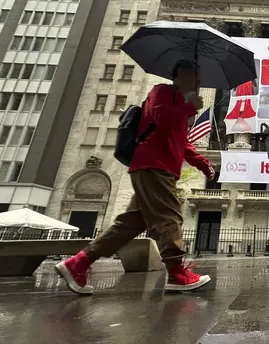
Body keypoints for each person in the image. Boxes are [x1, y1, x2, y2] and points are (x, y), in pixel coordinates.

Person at [55, 60, 216, 295]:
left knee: (130, 223)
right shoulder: (161, 92)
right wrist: (188, 108)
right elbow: (160, 120)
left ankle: (78, 263)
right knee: (169, 217)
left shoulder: (179, 103)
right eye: (195, 76)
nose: (199, 82)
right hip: (153, 166)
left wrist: (203, 164)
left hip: (160, 168)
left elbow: (180, 141)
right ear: (180, 76)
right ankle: (177, 273)